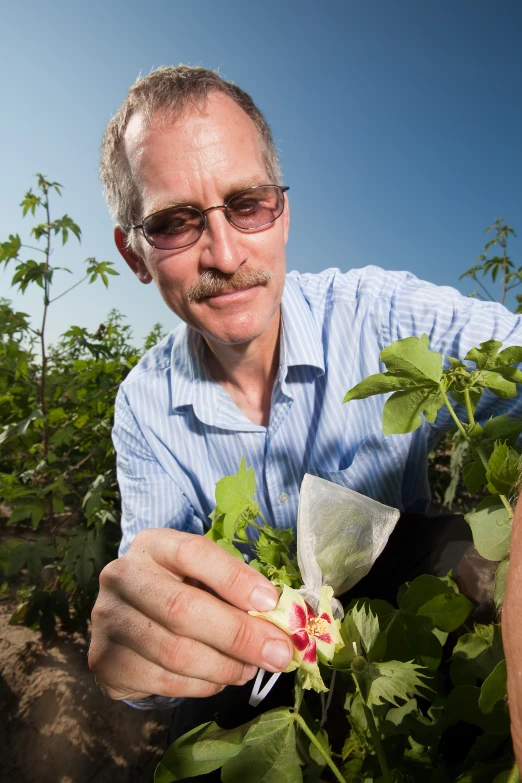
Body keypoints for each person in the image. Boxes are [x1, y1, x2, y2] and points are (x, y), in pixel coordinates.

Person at [89, 65, 522, 724]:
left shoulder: (379, 316)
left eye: (247, 203)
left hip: (395, 587)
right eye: (176, 222)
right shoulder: (144, 408)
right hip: (256, 657)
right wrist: (143, 646)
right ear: (135, 255)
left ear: (282, 211)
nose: (226, 253)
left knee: (457, 553)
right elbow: (158, 613)